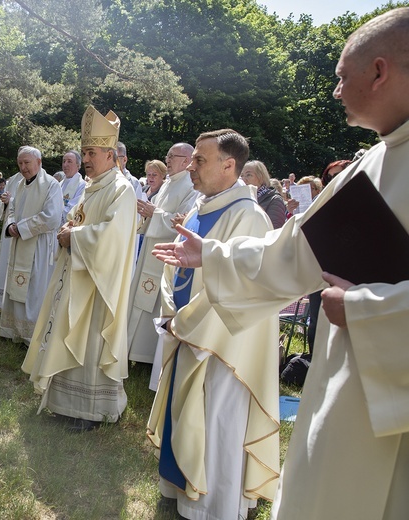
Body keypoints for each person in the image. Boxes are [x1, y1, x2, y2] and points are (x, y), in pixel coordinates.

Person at [151, 9, 409, 519]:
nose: (335, 92)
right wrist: (212, 255)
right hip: (351, 378)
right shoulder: (372, 163)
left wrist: (369, 310)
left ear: (379, 72)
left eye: (340, 77)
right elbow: (293, 251)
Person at [147, 129, 279, 520]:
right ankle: (180, 489)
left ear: (229, 165)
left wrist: (182, 323)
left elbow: (239, 290)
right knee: (184, 413)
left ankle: (214, 507)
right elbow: (175, 270)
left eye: (199, 160)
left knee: (217, 421)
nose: (191, 168)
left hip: (224, 347)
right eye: (190, 160)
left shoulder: (249, 216)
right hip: (186, 331)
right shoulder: (196, 210)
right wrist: (171, 312)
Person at [21, 106, 137, 432]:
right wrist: (68, 230)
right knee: (68, 334)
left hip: (100, 284)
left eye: (92, 152)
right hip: (77, 275)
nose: (85, 158)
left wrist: (74, 235)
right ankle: (65, 404)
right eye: (84, 152)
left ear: (111, 155)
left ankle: (91, 411)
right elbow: (79, 219)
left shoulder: (121, 190)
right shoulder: (92, 186)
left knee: (90, 342)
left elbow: (112, 237)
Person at [127, 145, 197, 371]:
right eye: (167, 156)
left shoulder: (191, 185)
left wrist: (153, 213)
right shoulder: (168, 182)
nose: (167, 160)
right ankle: (134, 350)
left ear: (186, 160)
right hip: (150, 248)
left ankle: (147, 355)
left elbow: (182, 222)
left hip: (167, 253)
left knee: (155, 300)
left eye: (171, 157)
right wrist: (148, 213)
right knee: (141, 298)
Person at [0, 146, 63, 344]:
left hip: (39, 246)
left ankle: (31, 334)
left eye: (27, 163)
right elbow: (12, 209)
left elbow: (52, 218)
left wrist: (22, 227)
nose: (23, 167)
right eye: (20, 163)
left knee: (34, 289)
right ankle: (15, 330)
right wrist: (10, 225)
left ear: (39, 162)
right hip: (20, 243)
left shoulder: (52, 185)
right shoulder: (19, 185)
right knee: (17, 287)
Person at [0, 171, 23, 308]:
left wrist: (11, 200)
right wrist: (4, 202)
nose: (23, 166)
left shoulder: (40, 180)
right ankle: (2, 301)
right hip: (9, 225)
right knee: (5, 262)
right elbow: (3, 205)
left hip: (22, 228)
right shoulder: (12, 180)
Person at [240, 160, 288, 228]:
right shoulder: (242, 198)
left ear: (261, 177)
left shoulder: (274, 200)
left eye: (249, 175)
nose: (243, 179)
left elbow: (275, 231)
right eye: (241, 175)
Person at [59, 150, 85, 224]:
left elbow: (72, 209)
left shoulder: (82, 185)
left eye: (69, 161)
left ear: (78, 165)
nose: (65, 164)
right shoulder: (60, 183)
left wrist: (53, 212)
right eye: (64, 161)